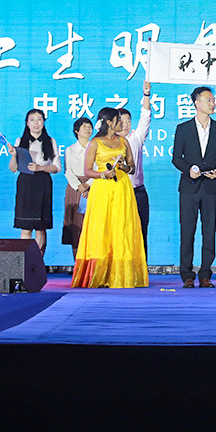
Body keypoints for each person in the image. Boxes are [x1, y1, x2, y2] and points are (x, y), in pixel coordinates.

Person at [72, 107, 148, 288]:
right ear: (109, 123)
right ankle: (99, 274)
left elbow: (132, 168)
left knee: (122, 228)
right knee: (102, 228)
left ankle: (121, 274)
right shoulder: (95, 143)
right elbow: (87, 170)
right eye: (118, 120)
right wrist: (103, 174)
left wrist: (123, 167)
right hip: (102, 190)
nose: (122, 123)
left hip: (122, 188)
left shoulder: (124, 141)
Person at [171, 86, 216, 288]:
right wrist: (189, 170)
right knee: (187, 231)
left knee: (209, 231)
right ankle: (187, 274)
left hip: (211, 187)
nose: (213, 103)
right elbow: (176, 158)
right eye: (208, 100)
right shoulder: (183, 128)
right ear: (197, 103)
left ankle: (205, 274)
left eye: (213, 100)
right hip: (189, 188)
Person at [8, 108, 61, 258]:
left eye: (39, 119)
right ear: (27, 123)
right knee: (25, 227)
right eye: (32, 120)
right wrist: (13, 155)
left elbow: (57, 167)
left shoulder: (50, 141)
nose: (36, 123)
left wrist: (40, 168)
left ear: (44, 122)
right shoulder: (20, 141)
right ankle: (24, 262)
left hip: (42, 183)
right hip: (25, 183)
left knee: (40, 227)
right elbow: (13, 169)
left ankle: (38, 261)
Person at [118, 82, 154, 255]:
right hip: (118, 194)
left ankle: (141, 267)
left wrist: (146, 95)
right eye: (121, 121)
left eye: (128, 121)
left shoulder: (136, 138)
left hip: (137, 192)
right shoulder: (106, 143)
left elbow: (145, 116)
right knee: (120, 233)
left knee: (140, 232)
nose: (125, 124)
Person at [61, 117, 94, 260]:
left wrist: (88, 184)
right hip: (75, 189)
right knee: (76, 225)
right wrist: (80, 187)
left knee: (92, 225)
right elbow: (68, 171)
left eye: (89, 126)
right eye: (84, 126)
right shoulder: (70, 149)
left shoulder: (96, 147)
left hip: (93, 187)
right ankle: (78, 262)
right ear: (76, 131)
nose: (88, 129)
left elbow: (99, 169)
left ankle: (92, 264)